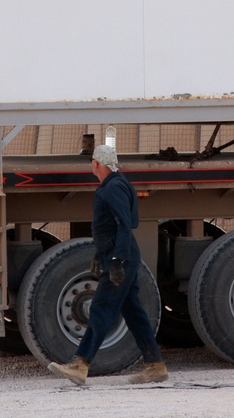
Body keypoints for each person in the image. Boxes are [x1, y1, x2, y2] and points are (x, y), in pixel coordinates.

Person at [47, 144, 168, 386]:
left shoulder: (111, 188)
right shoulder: (118, 183)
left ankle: (81, 364)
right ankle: (156, 366)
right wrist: (101, 254)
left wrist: (115, 261)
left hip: (121, 258)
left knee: (101, 308)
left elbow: (124, 225)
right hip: (121, 254)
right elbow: (116, 227)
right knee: (133, 313)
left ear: (96, 164)